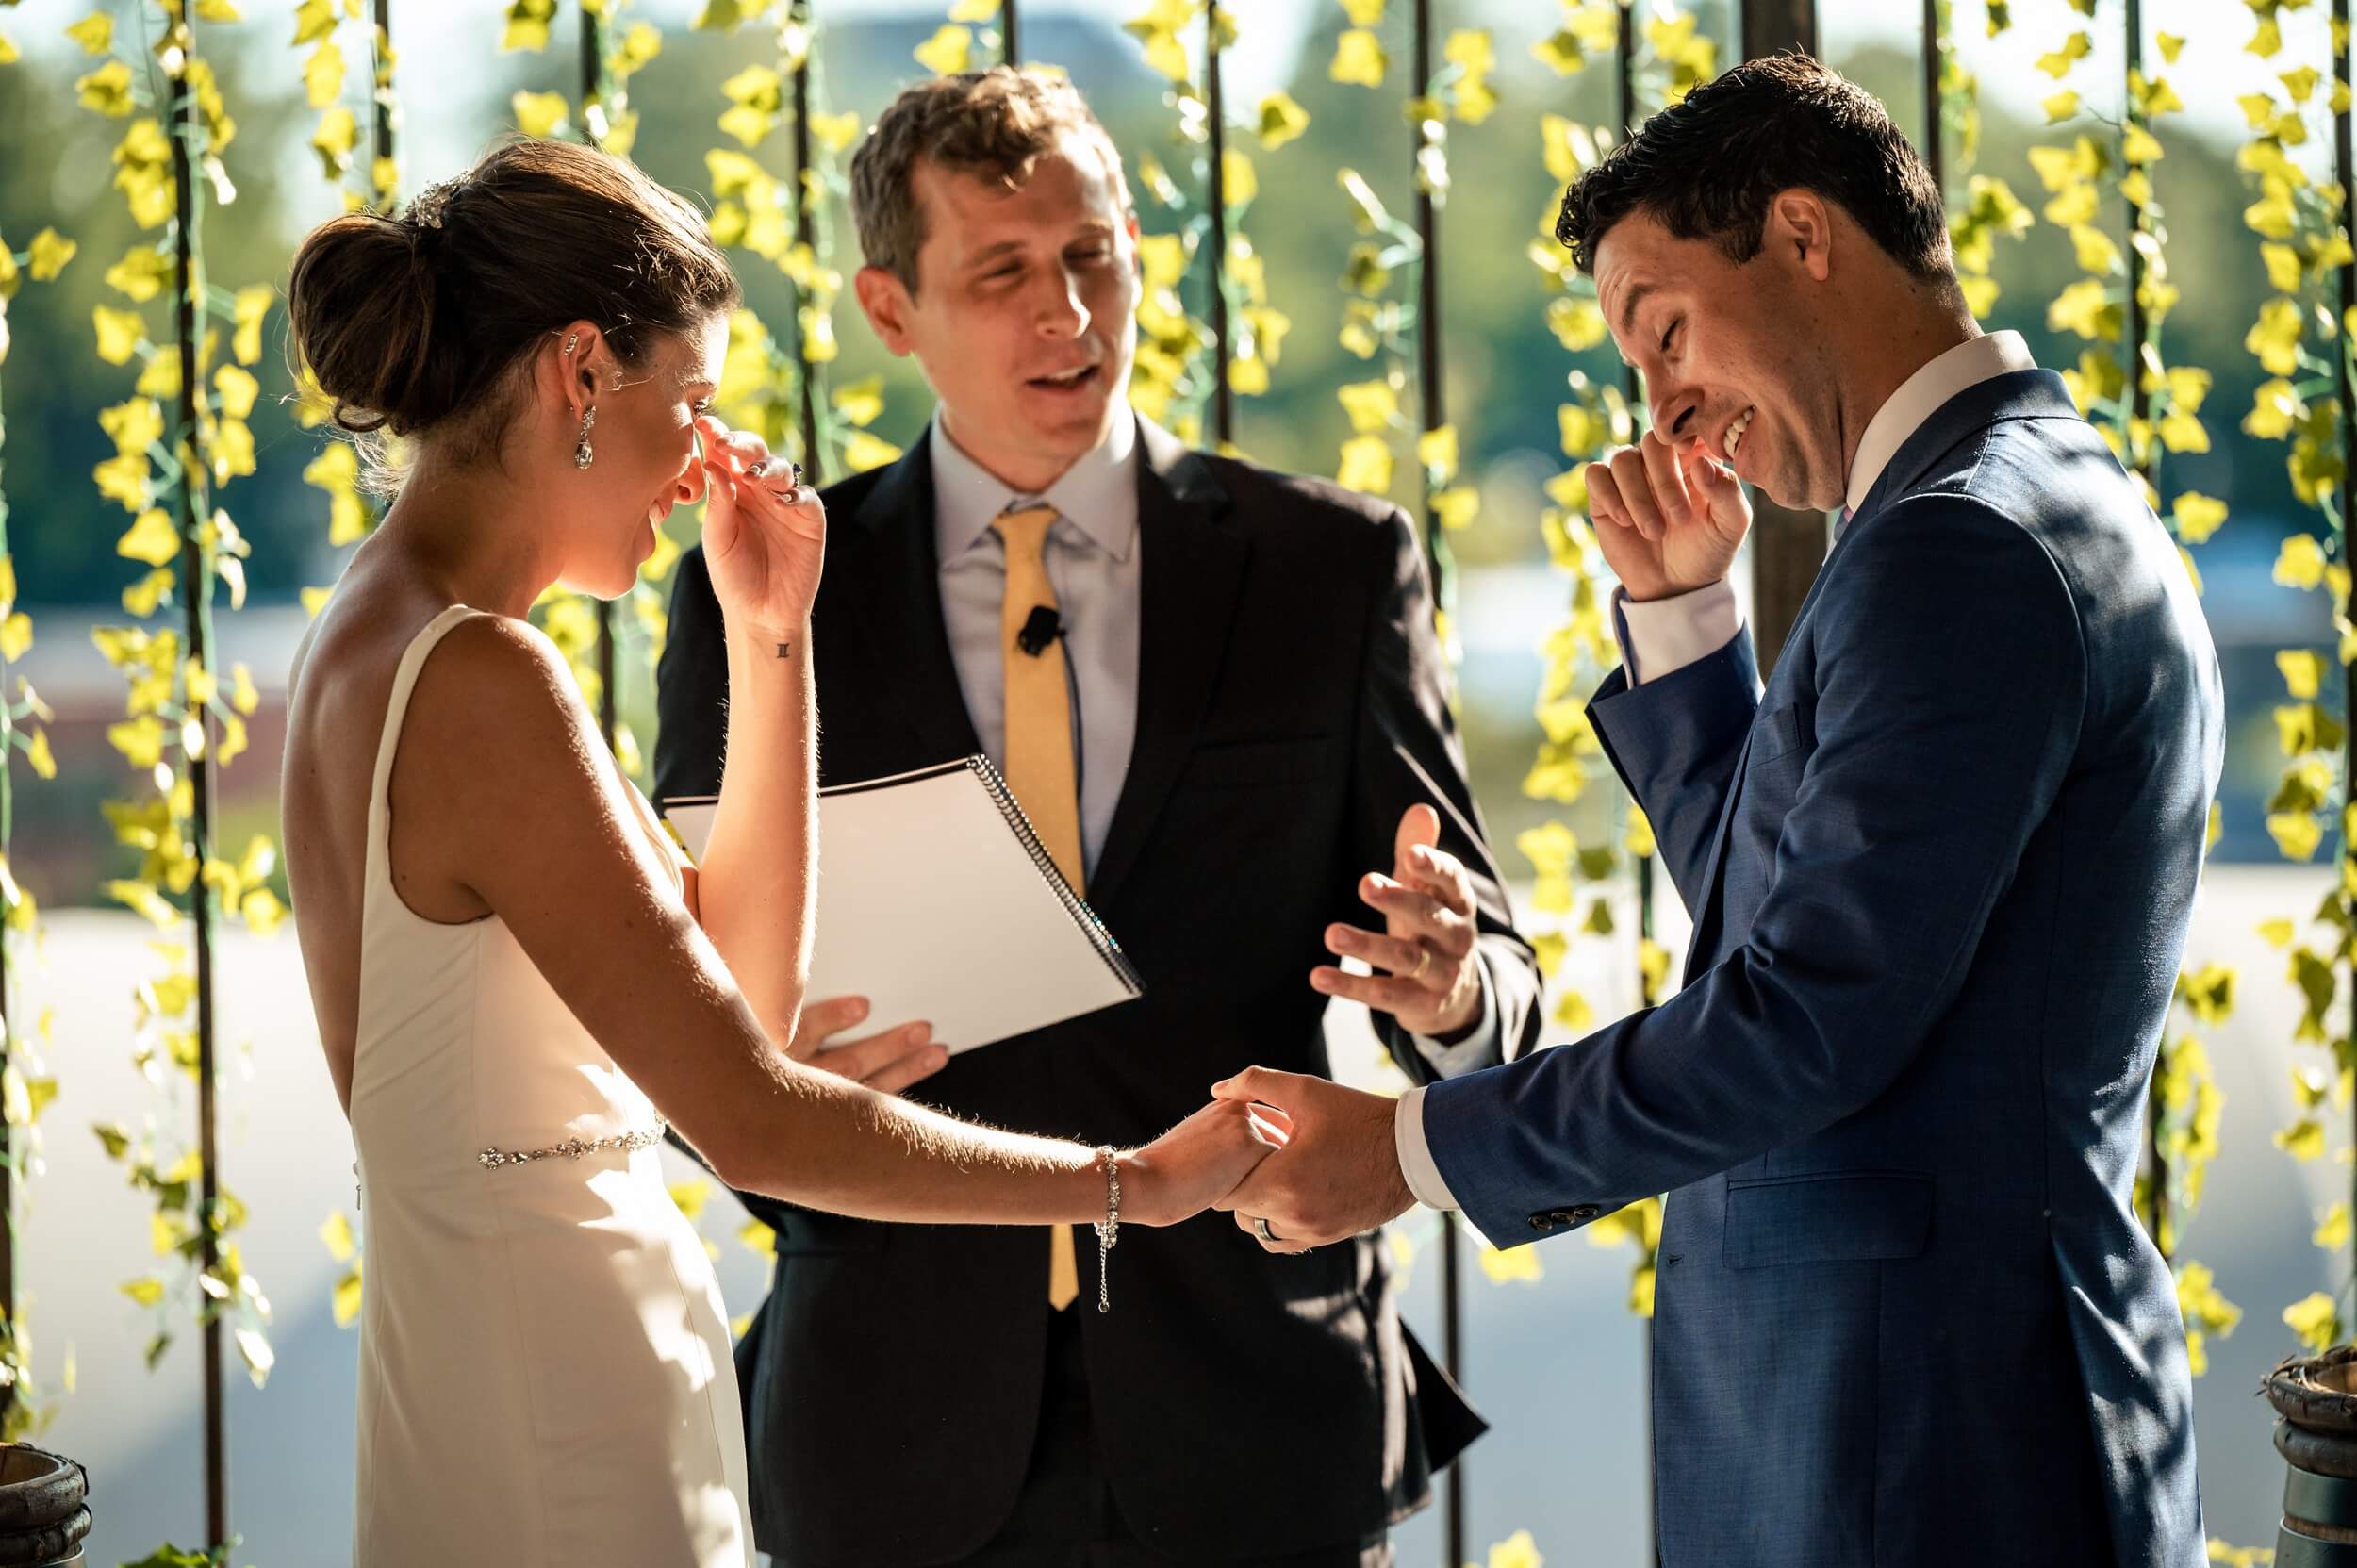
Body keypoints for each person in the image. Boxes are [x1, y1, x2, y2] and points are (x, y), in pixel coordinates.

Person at [1210, 54, 2220, 1568]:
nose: (1663, 402)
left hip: (1926, 1442)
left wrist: (1410, 1148)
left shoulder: (1956, 544)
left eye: (1665, 330)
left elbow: (1806, 1018)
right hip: (1894, 1416)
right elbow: (1810, 930)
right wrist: (1684, 629)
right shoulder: (2008, 502)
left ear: (1805, 236)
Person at [277, 136, 1285, 1568]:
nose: (705, 464)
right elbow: (759, 1115)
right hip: (553, 1413)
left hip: (532, 1375)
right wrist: (1130, 1184)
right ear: (579, 374)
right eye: (690, 401)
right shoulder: (478, 679)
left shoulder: (393, 638)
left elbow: (745, 992)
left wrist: (771, 637)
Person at [654, 68, 1541, 1568]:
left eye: (1091, 256)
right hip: (887, 1425)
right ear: (891, 309)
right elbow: (682, 1027)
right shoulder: (769, 588)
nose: (1064, 310)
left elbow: (1490, 990)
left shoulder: (1331, 565)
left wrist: (1455, 988)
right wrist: (757, 1081)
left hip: (1261, 1417)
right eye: (1000, 273)